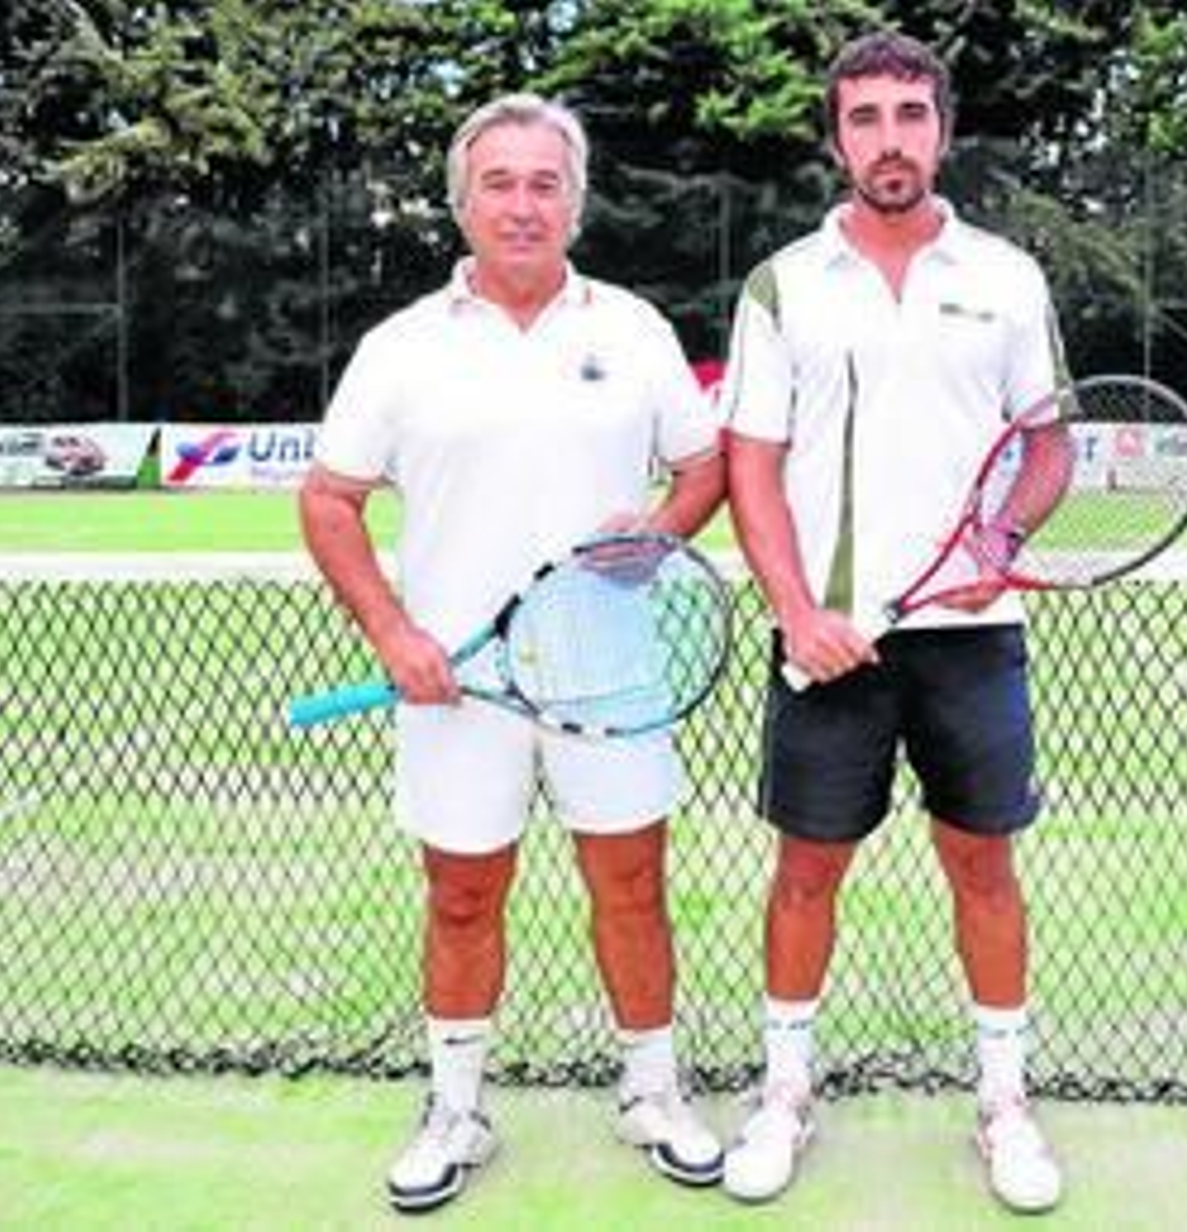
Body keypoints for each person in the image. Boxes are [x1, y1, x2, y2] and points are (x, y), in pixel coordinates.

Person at [298, 92, 726, 1214]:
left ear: (575, 202)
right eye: (501, 182)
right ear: (462, 201)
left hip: (611, 673)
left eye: (546, 183)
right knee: (459, 896)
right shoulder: (401, 347)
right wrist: (394, 632)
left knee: (631, 887)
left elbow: (703, 467)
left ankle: (653, 1091)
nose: (523, 204)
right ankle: (454, 1112)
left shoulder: (631, 328)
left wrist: (664, 531)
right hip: (456, 687)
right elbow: (331, 499)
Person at [718, 32, 1068, 1213]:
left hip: (973, 635)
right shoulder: (781, 283)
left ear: (943, 131)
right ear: (835, 139)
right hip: (827, 641)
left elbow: (1048, 443)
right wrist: (796, 609)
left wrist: (1000, 544)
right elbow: (750, 463)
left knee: (984, 863)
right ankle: (782, 1093)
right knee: (807, 868)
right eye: (863, 118)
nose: (888, 139)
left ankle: (1005, 1105)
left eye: (908, 115)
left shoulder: (1011, 278)